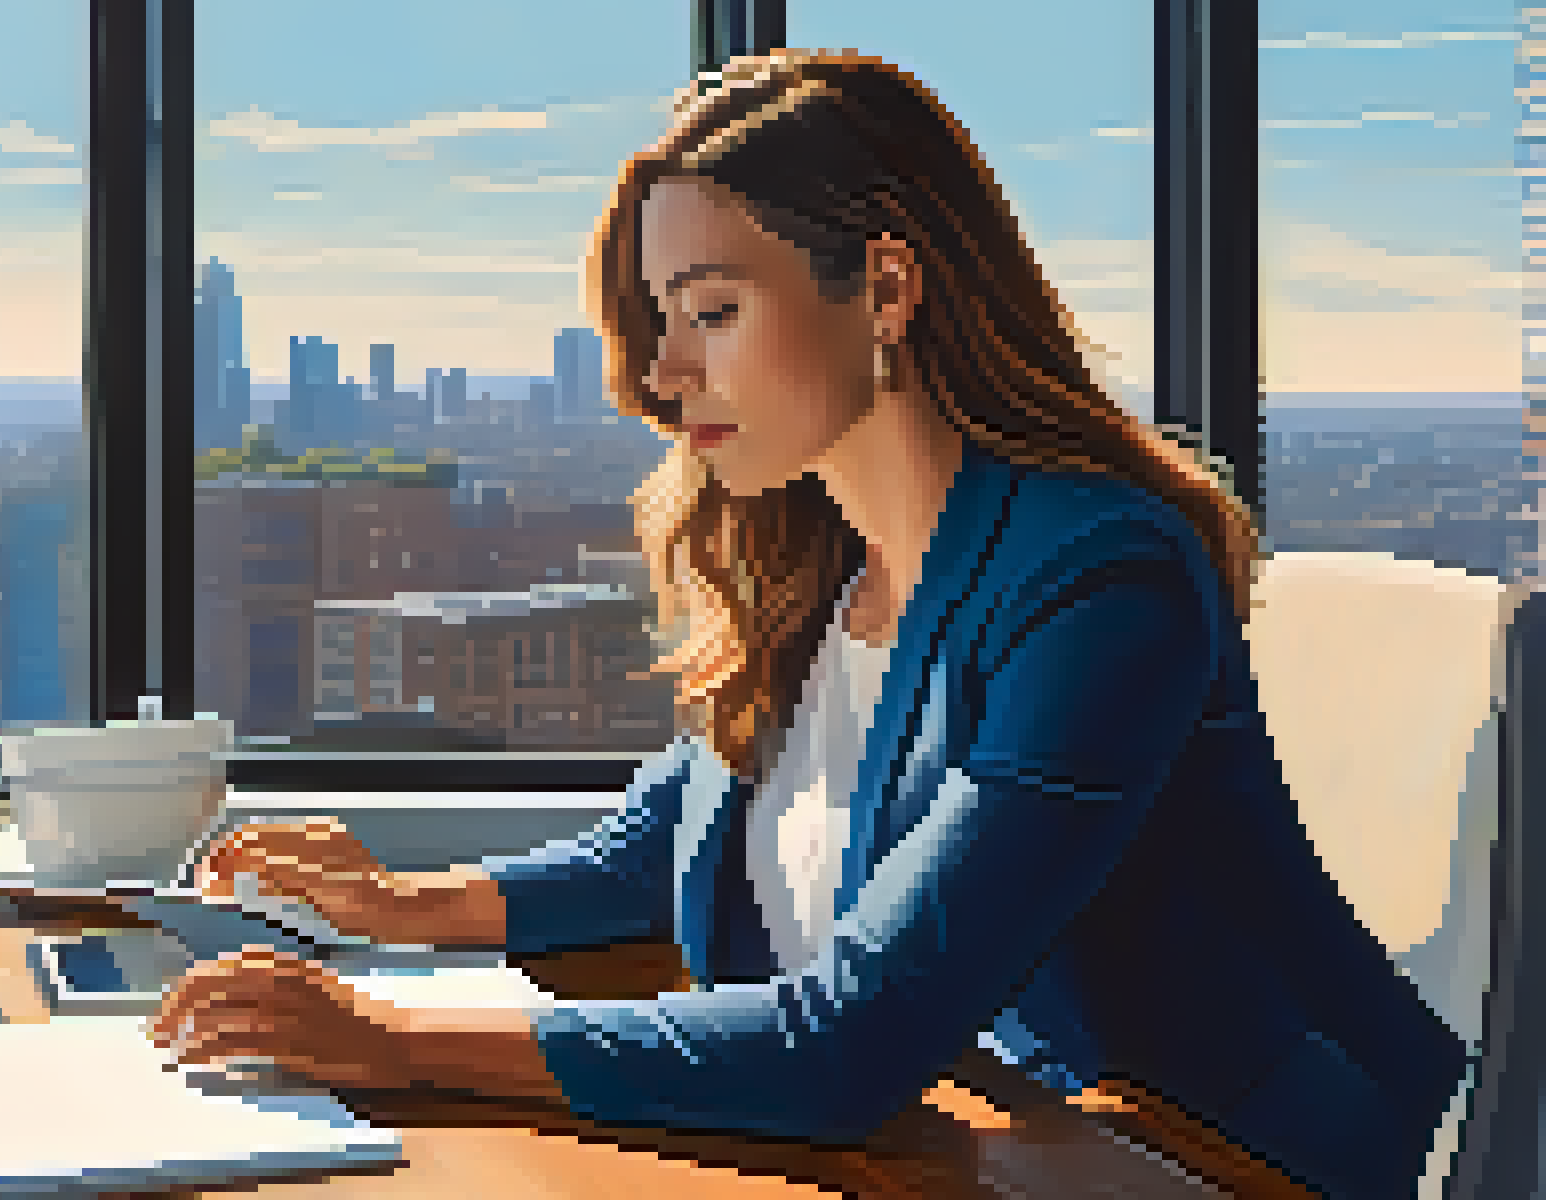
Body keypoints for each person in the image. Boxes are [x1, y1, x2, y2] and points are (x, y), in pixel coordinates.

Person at [150, 49, 1468, 1200]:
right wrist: (392, 902)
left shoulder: (1101, 582)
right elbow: (658, 851)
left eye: (714, 312)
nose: (668, 375)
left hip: (1228, 1168)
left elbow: (856, 1040)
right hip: (1005, 1146)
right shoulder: (819, 564)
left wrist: (386, 1041)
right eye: (663, 322)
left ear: (886, 290)